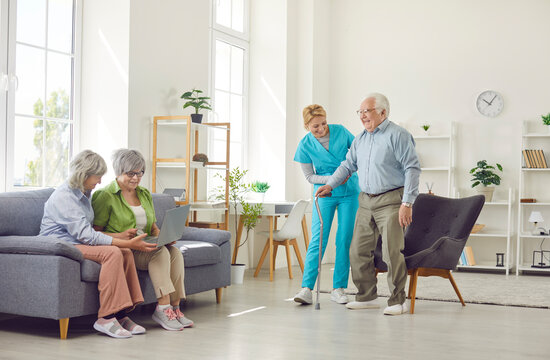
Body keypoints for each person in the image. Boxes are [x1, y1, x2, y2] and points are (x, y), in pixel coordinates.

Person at [316, 93, 420, 316]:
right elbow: (348, 165)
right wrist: (330, 185)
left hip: (392, 200)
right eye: (360, 111)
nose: (363, 115)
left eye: (368, 111)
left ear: (383, 112)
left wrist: (407, 202)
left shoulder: (398, 135)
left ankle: (397, 300)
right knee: (357, 250)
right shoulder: (360, 139)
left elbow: (412, 168)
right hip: (365, 200)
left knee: (392, 252)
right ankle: (366, 296)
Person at [40, 150, 156, 339]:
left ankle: (121, 314)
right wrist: (121, 242)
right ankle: (105, 317)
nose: (100, 182)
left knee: (125, 251)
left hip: (76, 241)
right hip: (60, 246)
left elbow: (89, 231)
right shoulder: (64, 197)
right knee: (112, 253)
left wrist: (121, 237)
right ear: (83, 174)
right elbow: (87, 236)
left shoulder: (84, 193)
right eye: (97, 177)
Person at [92, 149, 193, 331]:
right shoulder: (105, 196)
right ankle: (162, 308)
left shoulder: (144, 194)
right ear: (118, 171)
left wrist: (164, 236)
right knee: (159, 253)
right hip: (127, 249)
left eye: (140, 173)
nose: (136, 178)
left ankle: (175, 308)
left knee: (175, 252)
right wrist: (122, 236)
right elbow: (95, 233)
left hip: (147, 244)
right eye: (131, 173)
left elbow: (153, 226)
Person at [293, 104, 360, 305]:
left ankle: (338, 288)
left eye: (323, 123)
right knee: (318, 240)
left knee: (344, 239)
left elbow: (359, 153)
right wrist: (331, 180)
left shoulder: (340, 131)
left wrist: (348, 174)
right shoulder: (304, 145)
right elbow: (309, 176)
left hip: (349, 193)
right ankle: (306, 288)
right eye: (315, 126)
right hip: (324, 195)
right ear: (306, 126)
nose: (321, 129)